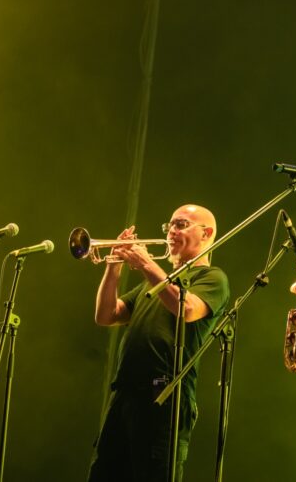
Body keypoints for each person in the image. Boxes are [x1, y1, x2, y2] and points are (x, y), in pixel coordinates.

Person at [88, 204, 230, 482]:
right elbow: (106, 315)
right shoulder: (151, 284)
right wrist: (113, 268)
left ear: (207, 233)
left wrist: (146, 264)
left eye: (181, 225)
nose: (171, 232)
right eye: (170, 226)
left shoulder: (212, 278)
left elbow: (187, 309)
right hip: (125, 394)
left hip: (164, 398)